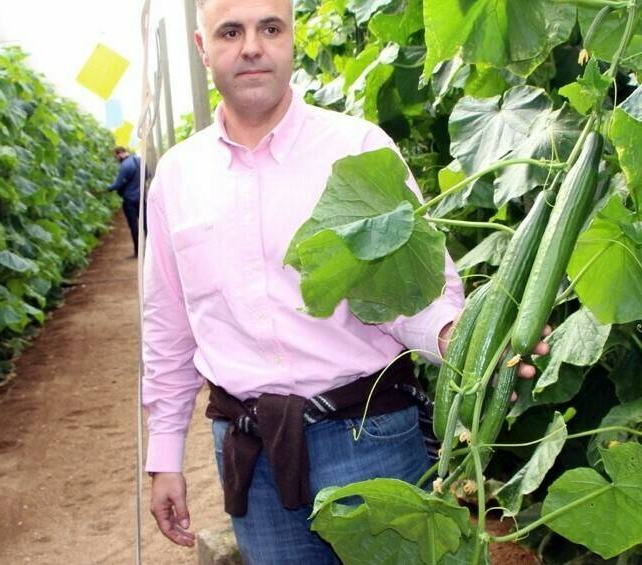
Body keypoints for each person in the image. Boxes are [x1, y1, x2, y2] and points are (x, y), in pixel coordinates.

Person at [142, 0, 550, 562]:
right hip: (253, 456)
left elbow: (415, 290)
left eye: (270, 28)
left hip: (367, 438)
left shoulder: (356, 148)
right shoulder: (178, 177)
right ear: (202, 47)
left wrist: (462, 338)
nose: (252, 47)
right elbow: (168, 327)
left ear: (291, 37)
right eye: (230, 32)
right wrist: (165, 454)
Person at [107, 146, 144, 257]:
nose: (117, 159)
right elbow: (147, 174)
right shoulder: (140, 160)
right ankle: (152, 251)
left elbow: (118, 184)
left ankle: (138, 252)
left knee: (134, 226)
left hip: (129, 200)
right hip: (142, 197)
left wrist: (107, 188)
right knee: (146, 225)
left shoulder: (125, 165)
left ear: (120, 154)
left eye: (116, 156)